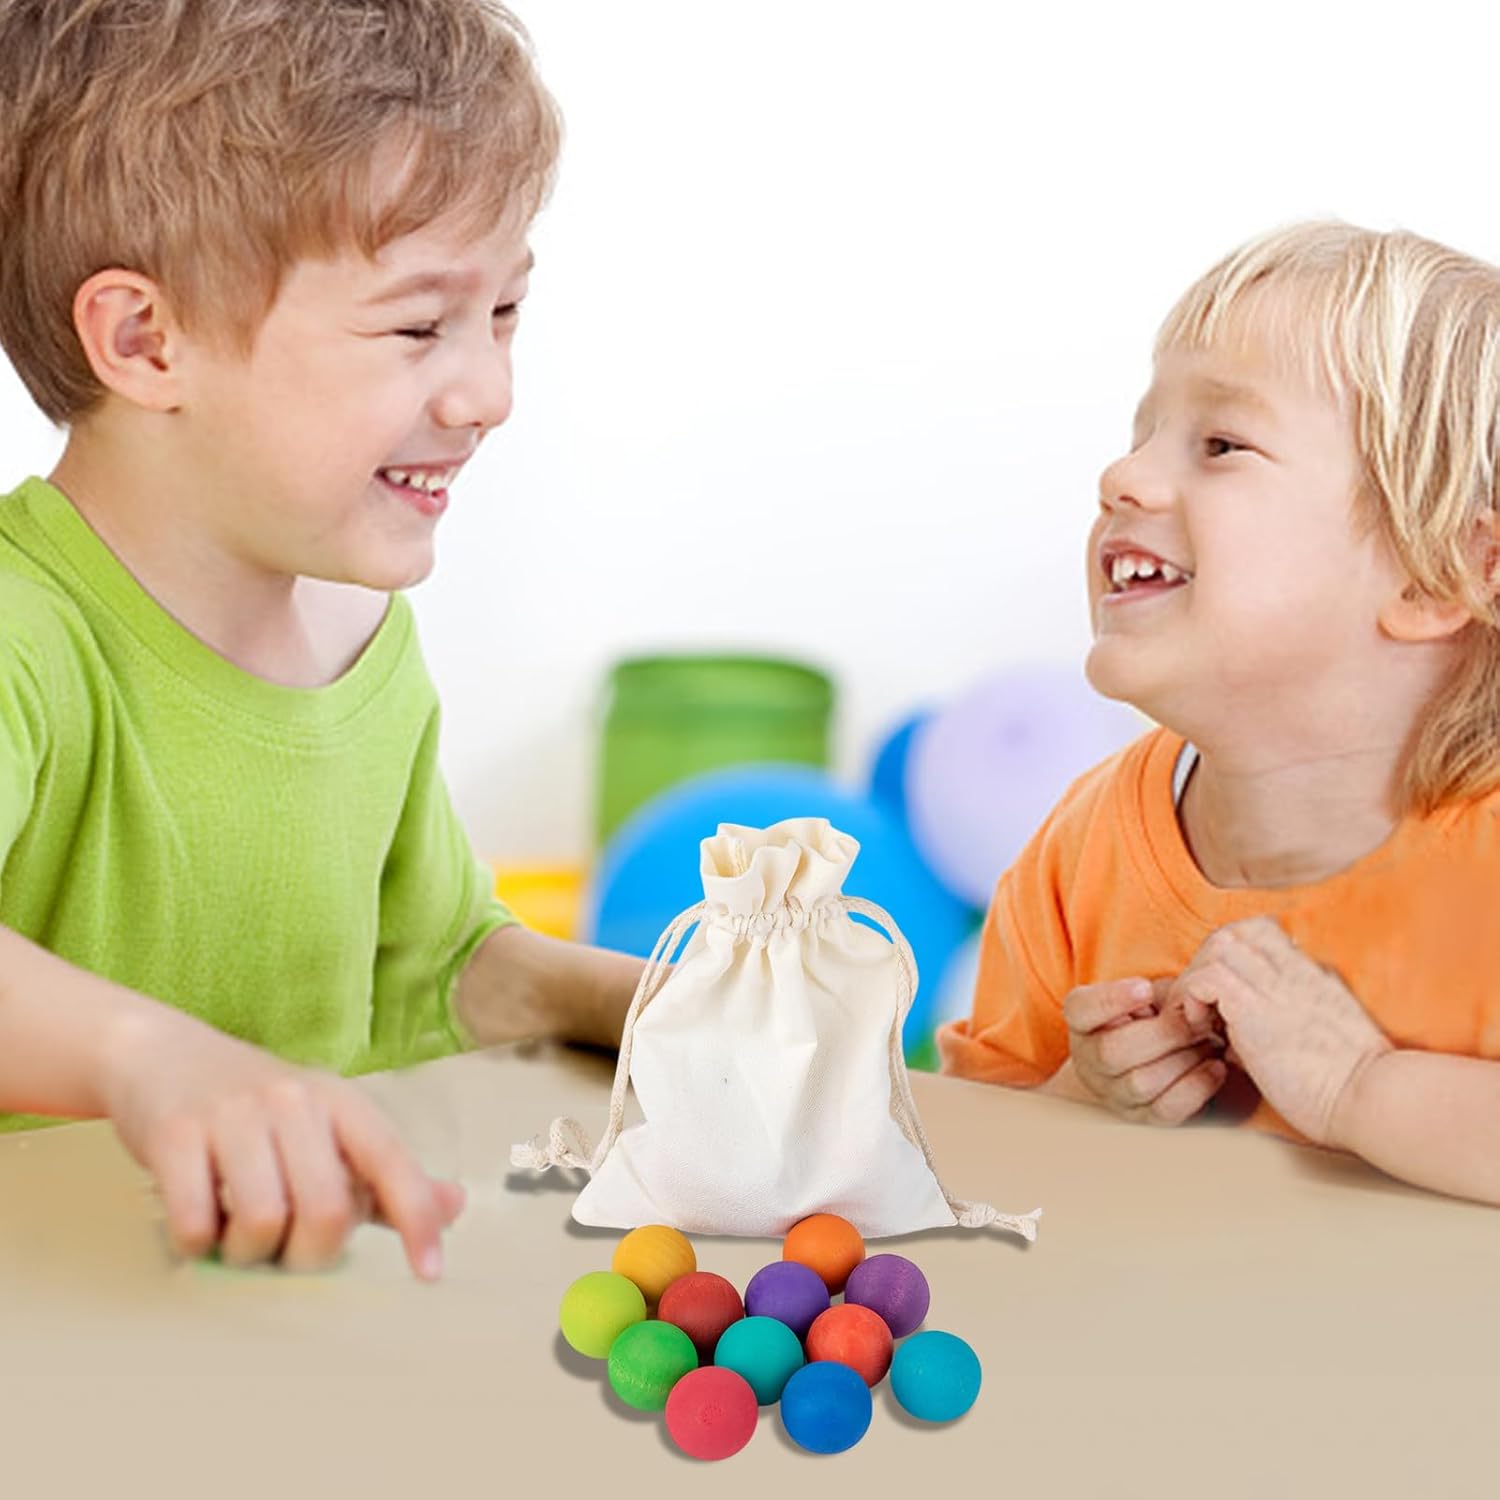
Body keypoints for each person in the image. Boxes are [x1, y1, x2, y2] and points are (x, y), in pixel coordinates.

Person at [0, 0, 645, 1278]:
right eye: (418, 325)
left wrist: (650, 1003)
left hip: (278, 1323)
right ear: (144, 341)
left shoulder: (365, 638)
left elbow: (437, 970)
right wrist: (148, 1058)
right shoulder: (25, 635)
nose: (491, 394)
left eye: (505, 312)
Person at [940, 220, 1500, 1206]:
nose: (1121, 478)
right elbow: (974, 1170)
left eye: (1222, 444)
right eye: (1141, 436)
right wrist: (1079, 1099)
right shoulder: (1080, 855)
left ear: (1434, 577)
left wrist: (1359, 1088)